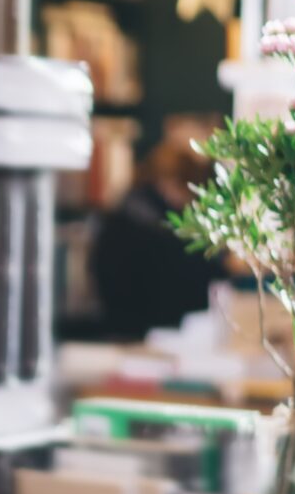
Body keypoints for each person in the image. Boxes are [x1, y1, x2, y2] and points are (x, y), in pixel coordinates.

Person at [90, 133, 227, 341]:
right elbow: (184, 278)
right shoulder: (156, 225)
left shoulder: (127, 210)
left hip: (124, 329)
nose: (190, 201)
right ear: (172, 182)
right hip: (149, 333)